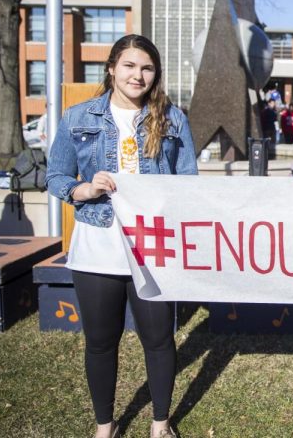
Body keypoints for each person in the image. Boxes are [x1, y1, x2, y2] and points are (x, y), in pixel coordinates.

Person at [46, 35, 197, 438]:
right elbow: (56, 176)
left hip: (153, 248)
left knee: (159, 338)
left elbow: (189, 184)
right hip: (97, 246)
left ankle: (160, 424)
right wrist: (83, 190)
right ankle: (104, 425)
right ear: (112, 67)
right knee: (100, 341)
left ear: (155, 74)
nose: (138, 75)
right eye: (129, 65)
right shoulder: (77, 118)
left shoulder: (173, 120)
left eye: (147, 68)